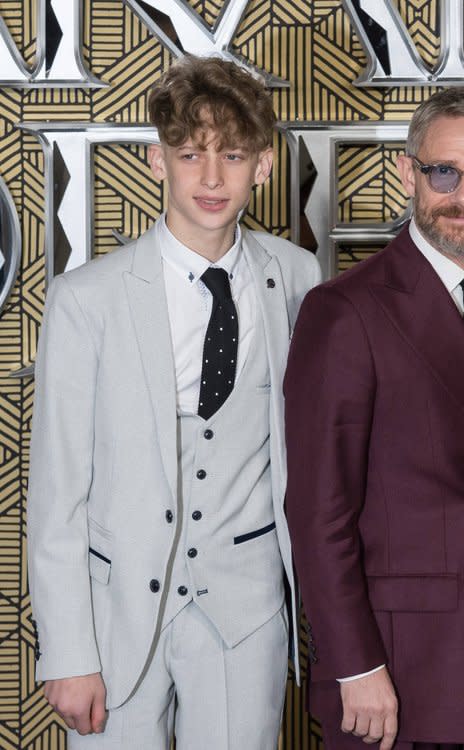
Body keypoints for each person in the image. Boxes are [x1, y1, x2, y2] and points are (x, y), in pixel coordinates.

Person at [26, 55, 321, 749]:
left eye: (233, 155)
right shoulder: (86, 299)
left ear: (265, 164)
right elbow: (57, 492)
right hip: (114, 615)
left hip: (244, 615)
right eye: (190, 155)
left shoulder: (301, 280)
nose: (212, 178)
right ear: (158, 162)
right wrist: (67, 651)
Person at [283, 87, 464, 750]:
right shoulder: (345, 310)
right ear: (409, 172)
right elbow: (318, 513)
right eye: (444, 172)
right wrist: (354, 662)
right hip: (398, 666)